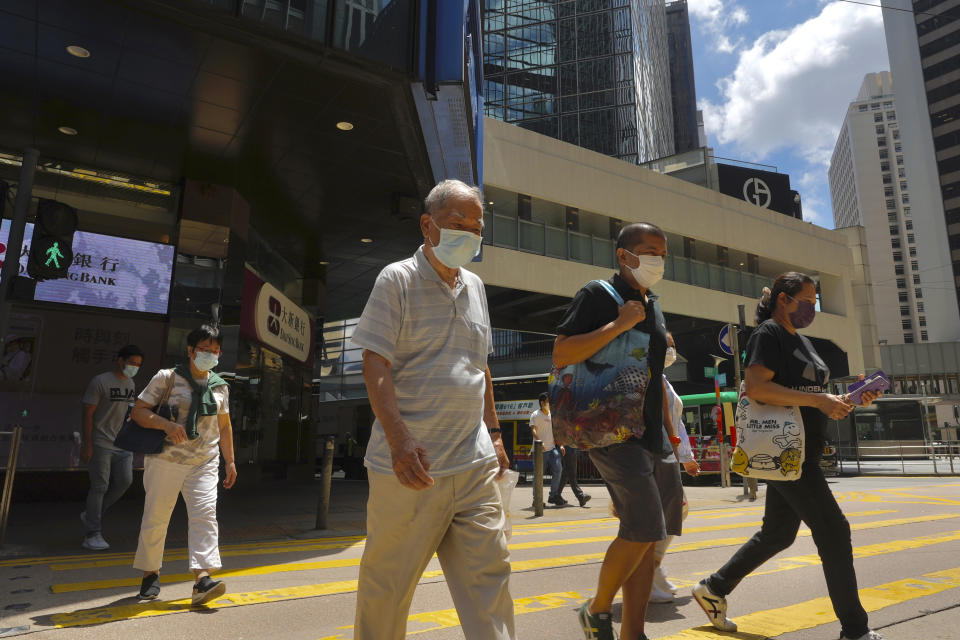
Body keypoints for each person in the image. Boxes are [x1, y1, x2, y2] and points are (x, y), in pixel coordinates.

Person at [351, 179, 515, 640]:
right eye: (457, 224)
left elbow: (479, 368)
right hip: (409, 467)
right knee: (388, 588)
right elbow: (375, 360)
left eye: (476, 227)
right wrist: (399, 439)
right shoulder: (397, 278)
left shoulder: (477, 286)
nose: (469, 233)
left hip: (475, 463)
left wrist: (496, 434)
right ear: (428, 225)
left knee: (491, 581)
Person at [691, 272, 883, 640]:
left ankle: (714, 588)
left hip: (801, 450)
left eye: (815, 302)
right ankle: (855, 631)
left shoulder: (803, 341)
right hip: (786, 452)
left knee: (778, 533)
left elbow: (810, 394)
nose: (812, 308)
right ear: (784, 299)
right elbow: (758, 387)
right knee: (834, 532)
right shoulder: (769, 334)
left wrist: (849, 398)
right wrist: (817, 400)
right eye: (807, 300)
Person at [553, 222, 674, 640]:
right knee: (646, 526)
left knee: (642, 539)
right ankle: (597, 609)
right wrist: (619, 326)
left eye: (662, 251)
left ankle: (633, 633)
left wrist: (671, 433)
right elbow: (562, 352)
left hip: (648, 432)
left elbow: (654, 372)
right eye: (649, 250)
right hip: (609, 428)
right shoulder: (597, 294)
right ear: (624, 255)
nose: (658, 259)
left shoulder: (653, 302)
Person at [130, 324, 237, 605]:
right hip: (166, 459)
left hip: (204, 461)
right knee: (156, 517)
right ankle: (150, 572)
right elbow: (138, 411)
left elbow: (224, 428)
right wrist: (165, 425)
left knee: (205, 516)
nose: (210, 356)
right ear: (190, 351)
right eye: (204, 350)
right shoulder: (166, 377)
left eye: (215, 351)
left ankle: (202, 579)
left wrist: (231, 461)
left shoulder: (220, 386)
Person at [650, 332, 700, 603]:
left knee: (668, 514)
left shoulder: (663, 379)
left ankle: (654, 570)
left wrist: (686, 457)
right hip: (654, 458)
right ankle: (650, 571)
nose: (672, 349)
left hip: (666, 456)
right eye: (668, 344)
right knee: (668, 513)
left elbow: (675, 422)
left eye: (674, 344)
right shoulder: (651, 377)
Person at [79, 344, 144, 551]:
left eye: (138, 364)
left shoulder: (131, 383)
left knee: (125, 481)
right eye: (132, 362)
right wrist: (87, 444)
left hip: (122, 443)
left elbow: (129, 413)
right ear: (120, 360)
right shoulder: (100, 381)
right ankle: (92, 533)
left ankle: (91, 515)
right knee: (99, 486)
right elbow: (87, 414)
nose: (134, 367)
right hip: (100, 442)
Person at [529, 391, 567, 506]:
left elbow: (555, 431)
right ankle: (537, 500)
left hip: (552, 448)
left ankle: (553, 495)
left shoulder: (552, 414)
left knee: (558, 469)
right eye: (547, 402)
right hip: (540, 450)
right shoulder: (535, 414)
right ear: (542, 403)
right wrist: (539, 442)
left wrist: (560, 444)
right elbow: (533, 430)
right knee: (538, 475)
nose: (549, 403)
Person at [557, 440, 592, 508]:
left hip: (572, 447)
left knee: (566, 474)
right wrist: (561, 445)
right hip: (568, 447)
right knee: (571, 472)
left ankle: (556, 495)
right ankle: (580, 496)